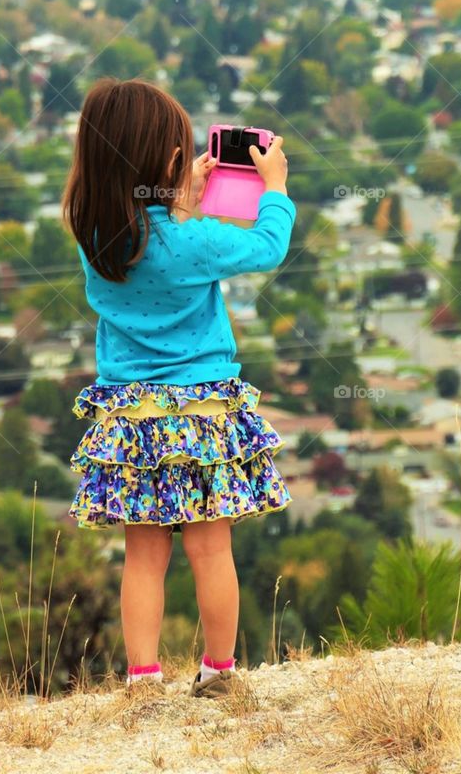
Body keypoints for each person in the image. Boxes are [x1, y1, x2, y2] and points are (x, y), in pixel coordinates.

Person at [62, 78, 295, 698]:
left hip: (131, 418)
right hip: (203, 414)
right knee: (210, 549)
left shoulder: (96, 239)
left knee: (143, 555)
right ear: (168, 160)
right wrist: (273, 188)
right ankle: (219, 674)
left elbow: (153, 240)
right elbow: (268, 246)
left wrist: (177, 196)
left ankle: (143, 679)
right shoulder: (194, 242)